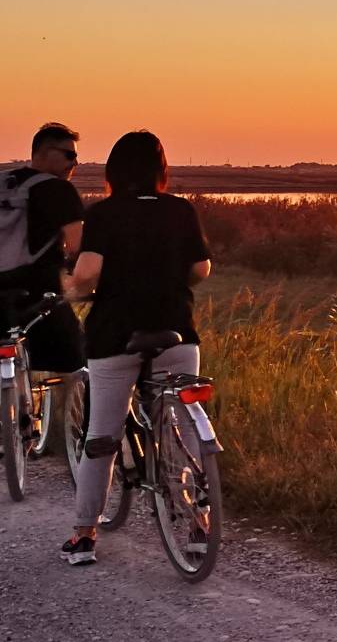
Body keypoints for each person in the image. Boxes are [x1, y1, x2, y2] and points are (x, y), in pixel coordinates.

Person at [61, 130, 211, 566]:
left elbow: (88, 272)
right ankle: (201, 523)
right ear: (161, 170)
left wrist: (73, 291)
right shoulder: (181, 210)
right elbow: (200, 268)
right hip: (177, 334)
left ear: (113, 170)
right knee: (183, 429)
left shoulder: (104, 214)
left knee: (101, 437)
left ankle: (85, 535)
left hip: (115, 336)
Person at [0, 123, 87, 403]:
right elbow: (78, 246)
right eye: (69, 156)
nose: (75, 163)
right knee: (83, 364)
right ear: (47, 153)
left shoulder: (3, 182)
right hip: (38, 297)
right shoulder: (58, 190)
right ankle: (91, 441)